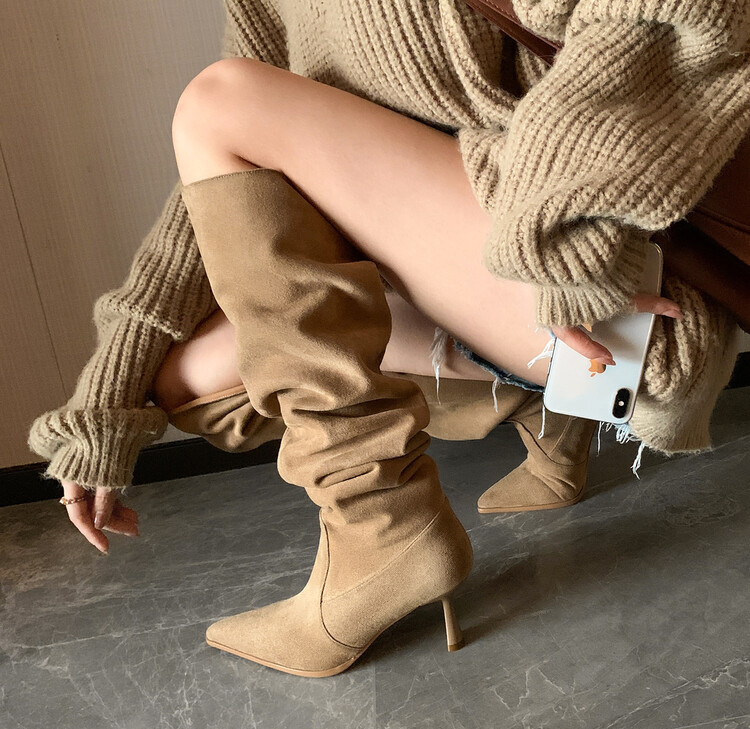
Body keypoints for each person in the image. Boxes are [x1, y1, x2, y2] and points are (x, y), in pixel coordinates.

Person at [27, 1, 747, 677]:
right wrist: (105, 400)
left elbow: (664, 22)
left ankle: (381, 529)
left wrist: (561, 244)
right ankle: (538, 409)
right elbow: (220, 191)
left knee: (218, 102)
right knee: (192, 378)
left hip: (612, 277)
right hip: (503, 282)